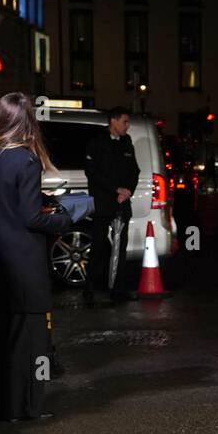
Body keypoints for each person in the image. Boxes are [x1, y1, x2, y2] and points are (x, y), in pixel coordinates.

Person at [0, 92, 72, 421]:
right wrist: (65, 217)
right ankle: (27, 406)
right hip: (23, 258)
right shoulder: (26, 160)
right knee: (28, 336)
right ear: (27, 119)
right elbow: (31, 218)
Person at [83, 105, 141, 304]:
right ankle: (89, 288)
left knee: (120, 248)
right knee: (98, 247)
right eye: (124, 121)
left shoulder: (126, 142)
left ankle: (118, 289)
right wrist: (115, 190)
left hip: (122, 204)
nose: (127, 126)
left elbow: (134, 170)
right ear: (113, 121)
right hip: (103, 203)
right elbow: (93, 173)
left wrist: (128, 191)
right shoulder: (96, 142)